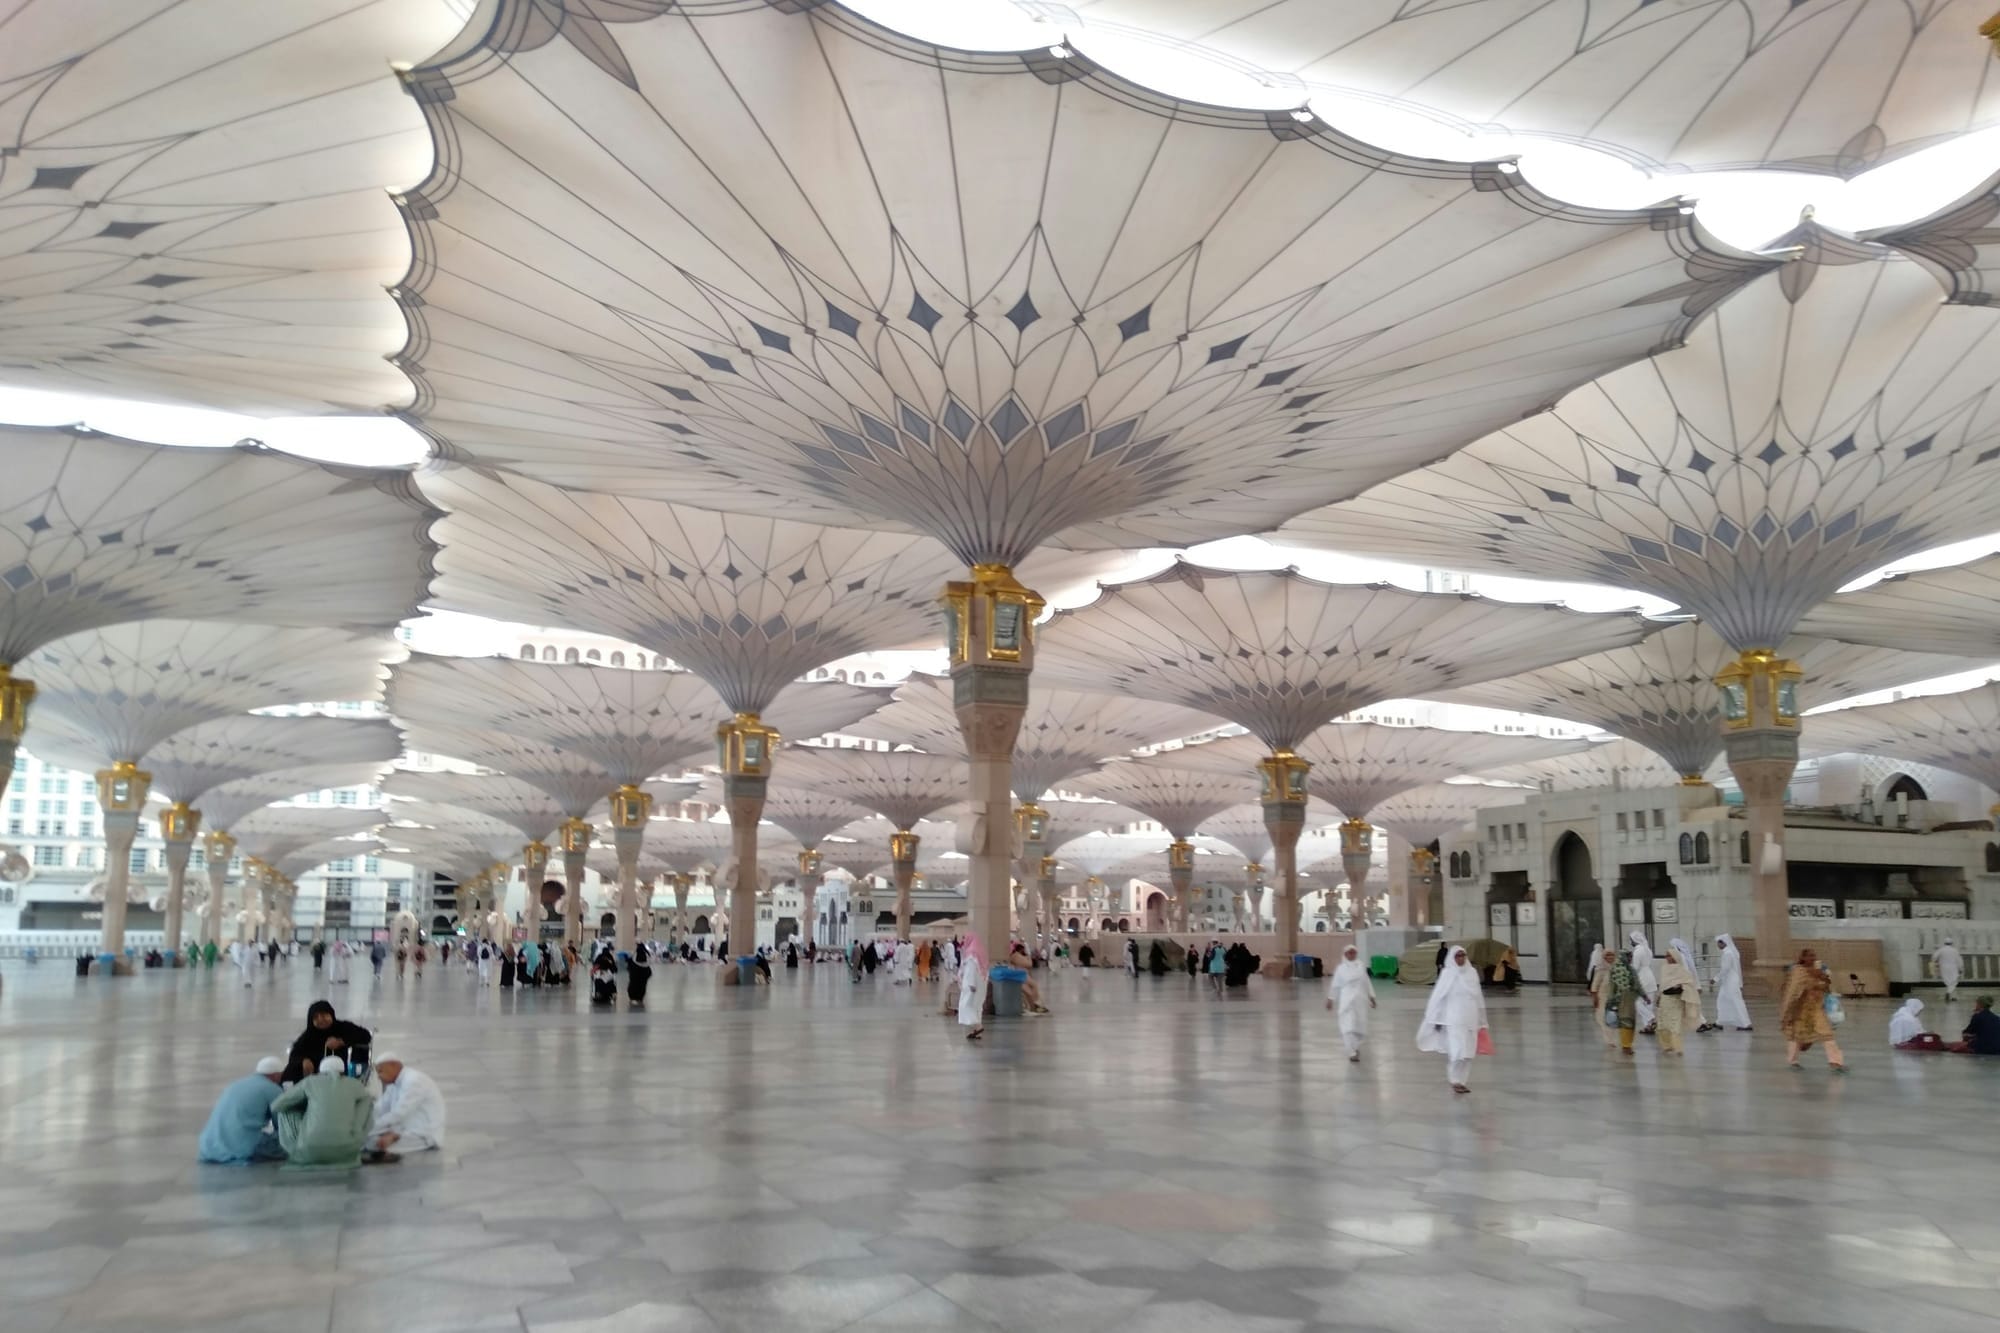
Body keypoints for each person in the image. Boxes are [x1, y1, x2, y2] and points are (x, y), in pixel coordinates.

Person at [270, 1062, 375, 1169]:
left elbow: (276, 1105)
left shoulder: (310, 1082)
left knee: (285, 1110)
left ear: (320, 1071)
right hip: (347, 1151)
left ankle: (296, 1148)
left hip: (309, 1151)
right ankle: (356, 1145)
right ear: (343, 1072)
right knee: (367, 1105)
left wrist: (304, 1106)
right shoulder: (355, 1084)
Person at [1417, 946, 1489, 1093]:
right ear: (1452, 958)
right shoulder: (1447, 974)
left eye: (1463, 955)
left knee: (1468, 1052)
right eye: (1458, 956)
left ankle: (1462, 1081)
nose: (1461, 958)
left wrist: (1482, 1019)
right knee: (1457, 1050)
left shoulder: (1472, 973)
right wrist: (1435, 1018)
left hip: (1471, 1017)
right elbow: (1438, 998)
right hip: (1453, 1018)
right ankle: (1454, 1080)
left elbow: (1478, 998)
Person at [198, 1056, 289, 1164]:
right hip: (241, 1146)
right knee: (289, 1145)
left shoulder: (237, 1084)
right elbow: (284, 1124)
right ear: (276, 1075)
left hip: (209, 1146)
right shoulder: (273, 1089)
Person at [365, 1053, 446, 1161]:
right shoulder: (394, 1083)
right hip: (401, 1129)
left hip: (422, 1134)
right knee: (364, 1139)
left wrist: (368, 1129)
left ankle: (393, 1138)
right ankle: (392, 1136)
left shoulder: (414, 1081)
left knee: (371, 1144)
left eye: (380, 1071)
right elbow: (380, 1108)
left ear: (393, 1065)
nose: (379, 1076)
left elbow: (398, 1114)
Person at [1779, 949, 1845, 1072]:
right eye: (1809, 956)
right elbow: (1792, 992)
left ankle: (1836, 1062)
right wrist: (1787, 1012)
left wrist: (1822, 977)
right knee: (1797, 1036)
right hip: (1800, 1009)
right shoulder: (1798, 971)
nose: (1812, 958)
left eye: (1814, 955)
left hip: (1816, 1009)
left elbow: (1827, 987)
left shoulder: (1819, 970)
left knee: (1827, 1034)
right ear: (1803, 958)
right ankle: (1793, 1061)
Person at [282, 1000, 372, 1083]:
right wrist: (304, 1061)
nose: (320, 1019)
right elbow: (294, 1055)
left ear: (331, 1014)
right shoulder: (309, 1035)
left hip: (337, 1076)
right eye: (316, 1017)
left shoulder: (341, 1027)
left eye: (324, 1014)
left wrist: (341, 1042)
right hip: (314, 1077)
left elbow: (365, 1035)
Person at [1326, 945, 1377, 1062]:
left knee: (1359, 1028)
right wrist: (1330, 999)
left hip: (1360, 1001)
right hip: (1346, 1002)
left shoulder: (1361, 967)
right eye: (1349, 953)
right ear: (1345, 954)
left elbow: (1367, 982)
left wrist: (1372, 998)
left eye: (1354, 953)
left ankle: (1355, 1046)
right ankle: (1351, 1052)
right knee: (1347, 1027)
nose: (1352, 955)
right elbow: (1335, 985)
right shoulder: (1341, 969)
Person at [1654, 941, 1699, 1056]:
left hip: (1676, 1001)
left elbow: (1689, 984)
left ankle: (1678, 1047)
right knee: (1663, 1024)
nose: (1668, 958)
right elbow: (1662, 985)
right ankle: (1667, 1045)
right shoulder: (1664, 969)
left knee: (1675, 1025)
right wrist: (1658, 998)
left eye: (1670, 955)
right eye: (1666, 956)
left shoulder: (1682, 970)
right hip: (1665, 1001)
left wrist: (1680, 986)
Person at [1713, 934, 1750, 1031]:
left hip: (1730, 982)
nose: (1718, 945)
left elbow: (1726, 969)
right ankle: (1720, 1022)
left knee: (1736, 1001)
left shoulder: (1728, 953)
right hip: (1728, 981)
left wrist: (1716, 978)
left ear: (1723, 943)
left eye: (1718, 943)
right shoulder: (1730, 952)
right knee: (1722, 1000)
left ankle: (1745, 1023)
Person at [958, 930, 989, 1041]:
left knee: (967, 1006)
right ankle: (976, 1031)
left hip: (972, 986)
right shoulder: (981, 952)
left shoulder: (971, 953)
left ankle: (978, 1026)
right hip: (981, 985)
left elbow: (971, 970)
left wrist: (971, 984)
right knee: (977, 1007)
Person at [1589, 945, 1619, 1048]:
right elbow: (1595, 985)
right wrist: (1595, 998)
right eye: (1608, 955)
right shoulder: (1601, 969)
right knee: (1603, 1017)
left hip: (1615, 997)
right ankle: (1609, 1039)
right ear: (1604, 957)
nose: (1610, 957)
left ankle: (1613, 1038)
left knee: (1613, 1017)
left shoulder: (1618, 968)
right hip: (1603, 997)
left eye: (1612, 955)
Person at [1628, 930, 1657, 1033]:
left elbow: (1635, 967)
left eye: (1631, 940)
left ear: (1634, 940)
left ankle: (1651, 1018)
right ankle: (1648, 1026)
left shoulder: (1637, 951)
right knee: (1648, 1003)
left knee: (1637, 1002)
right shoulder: (1647, 949)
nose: (1630, 941)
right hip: (1650, 976)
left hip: (1641, 977)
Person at [1933, 938, 1963, 1003]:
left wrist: (1936, 962)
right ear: (1951, 943)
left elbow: (1934, 957)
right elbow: (1959, 960)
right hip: (1953, 967)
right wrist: (1960, 968)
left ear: (1944, 943)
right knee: (1954, 981)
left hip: (1943, 967)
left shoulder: (1941, 950)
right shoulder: (1954, 950)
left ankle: (1953, 996)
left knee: (1948, 981)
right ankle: (1949, 993)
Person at [627, 941, 653, 1005]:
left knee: (633, 985)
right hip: (644, 972)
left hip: (635, 972)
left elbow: (630, 962)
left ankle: (632, 998)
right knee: (642, 986)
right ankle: (640, 998)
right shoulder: (646, 953)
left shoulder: (635, 953)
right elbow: (649, 963)